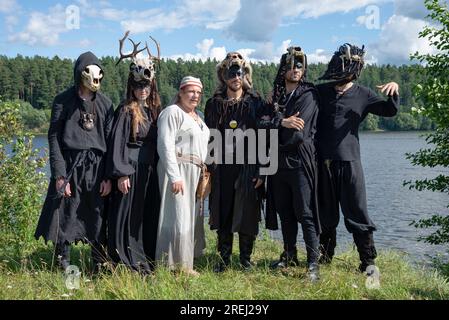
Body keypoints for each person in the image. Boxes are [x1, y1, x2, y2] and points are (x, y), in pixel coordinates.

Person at [316, 43, 399, 273]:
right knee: (325, 214)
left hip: (350, 163)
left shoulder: (363, 94)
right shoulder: (321, 92)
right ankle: (324, 260)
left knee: (357, 212)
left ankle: (368, 263)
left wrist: (394, 90)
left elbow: (389, 111)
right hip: (323, 163)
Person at [35, 51, 114, 272]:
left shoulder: (106, 104)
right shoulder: (63, 101)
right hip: (70, 165)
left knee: (97, 215)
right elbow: (54, 137)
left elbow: (109, 141)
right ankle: (63, 264)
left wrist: (108, 176)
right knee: (66, 215)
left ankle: (99, 265)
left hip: (97, 167)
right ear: (81, 74)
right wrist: (59, 174)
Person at [261, 46, 321, 281]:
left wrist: (277, 125)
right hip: (277, 162)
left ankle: (313, 263)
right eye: (291, 64)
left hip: (299, 160)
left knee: (304, 213)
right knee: (284, 211)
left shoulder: (309, 94)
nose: (295, 69)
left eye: (300, 65)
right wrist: (282, 121)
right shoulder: (275, 96)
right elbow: (261, 123)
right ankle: (289, 254)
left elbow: (299, 131)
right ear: (283, 67)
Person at [106, 32, 161, 273]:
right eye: (138, 86)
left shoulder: (154, 110)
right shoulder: (126, 110)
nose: (143, 90)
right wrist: (121, 174)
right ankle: (124, 259)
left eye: (146, 85)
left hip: (149, 172)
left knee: (144, 216)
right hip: (130, 170)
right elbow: (117, 143)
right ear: (132, 85)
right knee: (126, 216)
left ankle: (145, 257)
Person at [205, 52, 265, 272]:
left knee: (248, 213)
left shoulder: (255, 102)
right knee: (224, 212)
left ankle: (246, 260)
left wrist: (262, 169)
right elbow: (209, 136)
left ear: (244, 74)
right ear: (224, 76)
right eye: (231, 73)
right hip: (222, 167)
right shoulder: (214, 104)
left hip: (248, 166)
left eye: (239, 72)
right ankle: (223, 259)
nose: (235, 77)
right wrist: (209, 166)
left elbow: (264, 137)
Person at [155, 76, 210, 276]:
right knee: (176, 215)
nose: (195, 96)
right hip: (178, 169)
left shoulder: (198, 118)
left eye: (198, 92)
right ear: (181, 92)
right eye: (190, 91)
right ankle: (171, 264)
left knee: (189, 217)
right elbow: (165, 144)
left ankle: (186, 263)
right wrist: (174, 175)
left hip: (195, 171)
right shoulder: (172, 112)